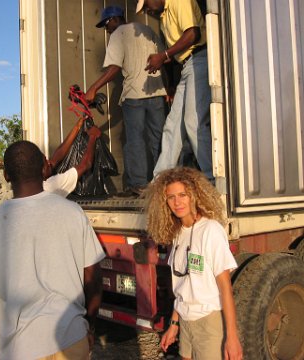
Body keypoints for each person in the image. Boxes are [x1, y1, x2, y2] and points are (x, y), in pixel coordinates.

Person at [0, 140, 106, 360]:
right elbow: (93, 278)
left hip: (19, 350)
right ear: (45, 168)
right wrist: (89, 327)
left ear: (6, 176)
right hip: (72, 341)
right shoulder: (73, 212)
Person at [145, 167, 242, 359]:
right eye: (171, 197)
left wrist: (232, 337)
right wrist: (174, 325)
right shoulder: (179, 233)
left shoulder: (211, 230)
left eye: (182, 194)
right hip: (186, 321)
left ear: (194, 195)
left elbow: (225, 288)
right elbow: (184, 285)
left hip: (209, 321)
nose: (177, 202)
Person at [85, 5, 167, 195]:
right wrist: (167, 87)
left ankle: (138, 184)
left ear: (114, 19)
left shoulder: (117, 35)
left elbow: (114, 68)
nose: (107, 29)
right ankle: (164, 181)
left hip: (134, 96)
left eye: (106, 24)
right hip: (156, 93)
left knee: (135, 140)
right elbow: (163, 59)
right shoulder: (147, 30)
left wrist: (93, 88)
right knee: (160, 138)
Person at [136, 0, 213, 182]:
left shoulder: (179, 1)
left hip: (200, 60)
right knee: (172, 125)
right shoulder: (163, 17)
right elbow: (176, 52)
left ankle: (213, 178)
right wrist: (169, 79)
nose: (147, 11)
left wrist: (163, 56)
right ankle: (160, 179)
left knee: (193, 122)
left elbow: (193, 34)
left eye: (146, 5)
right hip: (187, 67)